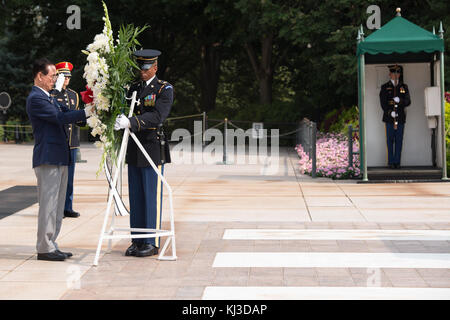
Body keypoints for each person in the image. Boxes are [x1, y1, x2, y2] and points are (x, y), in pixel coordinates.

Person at [26, 58, 91, 261]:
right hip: (48, 157)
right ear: (40, 76)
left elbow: (68, 113)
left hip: (59, 157)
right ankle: (44, 247)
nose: (56, 79)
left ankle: (51, 244)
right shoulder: (36, 98)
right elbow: (59, 118)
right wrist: (88, 111)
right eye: (52, 75)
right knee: (48, 204)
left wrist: (89, 111)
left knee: (57, 204)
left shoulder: (49, 96)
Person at [114, 49, 173, 257]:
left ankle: (152, 240)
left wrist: (132, 122)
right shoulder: (134, 88)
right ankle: (137, 240)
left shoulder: (164, 89)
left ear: (155, 67)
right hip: (134, 147)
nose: (142, 71)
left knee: (151, 196)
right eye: (140, 67)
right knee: (137, 197)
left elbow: (157, 116)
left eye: (146, 68)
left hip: (151, 148)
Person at [51, 61, 85, 218]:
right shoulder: (53, 94)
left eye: (68, 77)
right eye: (63, 76)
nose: (66, 79)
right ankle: (55, 207)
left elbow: (76, 115)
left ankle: (67, 207)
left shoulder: (74, 95)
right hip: (58, 143)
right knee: (56, 178)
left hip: (71, 143)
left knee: (69, 179)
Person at [379, 64, 411, 169]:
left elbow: (408, 101)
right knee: (390, 140)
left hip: (400, 118)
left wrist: (400, 100)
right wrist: (389, 112)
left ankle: (397, 161)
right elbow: (383, 103)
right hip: (389, 118)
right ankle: (391, 162)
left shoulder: (403, 87)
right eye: (393, 73)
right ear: (390, 74)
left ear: (400, 74)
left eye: (397, 73)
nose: (395, 75)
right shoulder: (385, 87)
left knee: (399, 140)